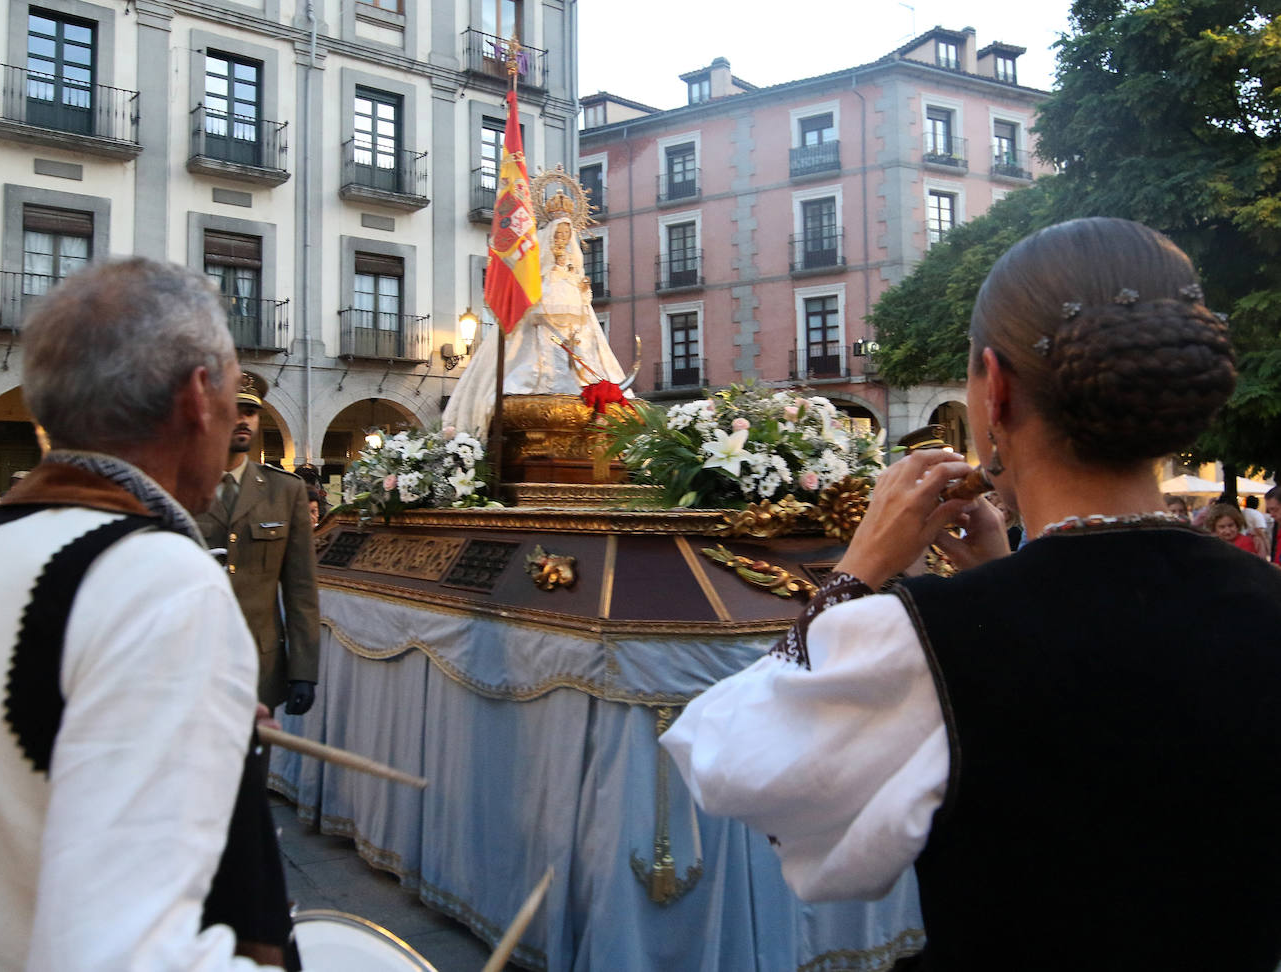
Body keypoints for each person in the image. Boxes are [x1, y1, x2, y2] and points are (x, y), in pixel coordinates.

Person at [662, 218, 1281, 971]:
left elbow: (726, 758)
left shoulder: (934, 638)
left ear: (997, 390)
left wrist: (853, 575)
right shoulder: (1264, 597)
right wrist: (1000, 568)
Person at [0, 259, 292, 970]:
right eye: (237, 390)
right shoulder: (160, 586)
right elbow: (126, 957)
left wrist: (181, 719)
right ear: (197, 397)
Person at [442, 199, 631, 436]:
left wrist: (582, 291)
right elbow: (534, 310)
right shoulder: (538, 279)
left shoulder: (574, 278)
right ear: (549, 236)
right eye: (558, 234)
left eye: (566, 234)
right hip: (539, 346)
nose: (561, 240)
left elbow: (584, 318)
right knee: (512, 392)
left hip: (576, 347)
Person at [195, 379, 319, 717]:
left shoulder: (284, 491)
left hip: (258, 667)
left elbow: (301, 591)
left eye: (250, 412)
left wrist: (303, 671)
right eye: (232, 411)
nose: (243, 420)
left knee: (253, 767)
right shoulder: (181, 489)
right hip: (192, 665)